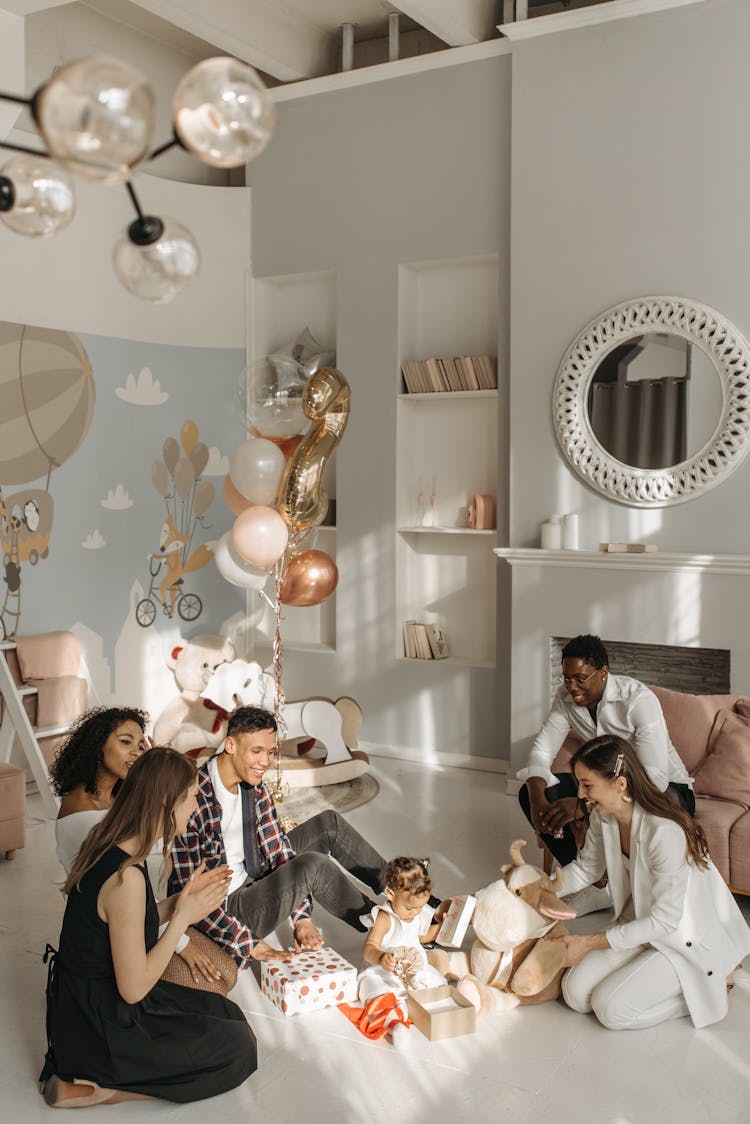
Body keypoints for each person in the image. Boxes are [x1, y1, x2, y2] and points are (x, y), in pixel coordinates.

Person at [40, 748, 256, 1108]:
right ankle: (102, 1090)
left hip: (82, 1005)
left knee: (226, 1014)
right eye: (189, 797)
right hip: (100, 1025)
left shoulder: (113, 846)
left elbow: (121, 921)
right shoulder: (126, 879)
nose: (195, 806)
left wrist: (175, 904)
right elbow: (134, 989)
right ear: (166, 803)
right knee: (239, 1049)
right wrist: (183, 918)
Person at [546, 734, 750, 1030]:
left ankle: (708, 988)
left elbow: (666, 921)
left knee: (610, 1011)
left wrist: (588, 942)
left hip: (678, 936)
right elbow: (586, 870)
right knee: (575, 994)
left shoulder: (663, 833)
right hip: (638, 923)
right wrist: (541, 889)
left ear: (620, 784)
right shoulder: (605, 818)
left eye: (587, 784)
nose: (580, 794)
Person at [168, 705, 390, 968]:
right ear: (230, 745)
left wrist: (301, 917)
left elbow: (278, 850)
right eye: (256, 751)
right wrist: (248, 943)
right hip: (230, 906)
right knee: (313, 866)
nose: (265, 762)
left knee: (327, 824)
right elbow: (190, 896)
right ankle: (387, 928)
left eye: (271, 751)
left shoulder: (253, 784)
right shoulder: (193, 797)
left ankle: (400, 891)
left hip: (255, 871)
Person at [50, 707, 220, 987]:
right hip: (114, 937)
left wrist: (158, 774)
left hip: (143, 914)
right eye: (125, 742)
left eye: (141, 746)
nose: (135, 753)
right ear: (97, 746)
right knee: (211, 983)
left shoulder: (123, 799)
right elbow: (116, 896)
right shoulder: (83, 817)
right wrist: (180, 940)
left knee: (222, 970)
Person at [518, 634, 693, 871]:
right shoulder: (565, 698)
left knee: (633, 808)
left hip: (667, 791)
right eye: (567, 678)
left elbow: (655, 779)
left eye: (580, 679)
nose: (571, 687)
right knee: (531, 790)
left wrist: (583, 806)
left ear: (603, 672)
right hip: (605, 784)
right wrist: (536, 799)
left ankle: (608, 880)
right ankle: (593, 879)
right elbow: (542, 750)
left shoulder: (637, 700)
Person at [357, 857, 450, 1048]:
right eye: (409, 908)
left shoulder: (415, 912)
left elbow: (421, 938)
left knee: (437, 982)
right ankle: (394, 1023)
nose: (415, 913)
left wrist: (442, 927)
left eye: (420, 907)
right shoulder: (385, 917)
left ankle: (429, 1009)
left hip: (412, 972)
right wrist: (380, 957)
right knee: (373, 991)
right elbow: (369, 948)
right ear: (391, 894)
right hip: (384, 974)